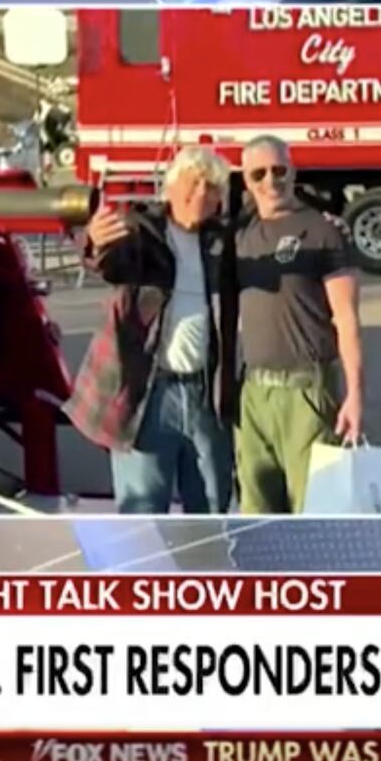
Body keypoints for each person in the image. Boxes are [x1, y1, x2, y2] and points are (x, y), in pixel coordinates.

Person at [65, 146, 235, 514]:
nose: (201, 193)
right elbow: (109, 262)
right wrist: (94, 242)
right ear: (169, 189)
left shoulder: (223, 242)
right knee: (143, 513)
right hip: (149, 394)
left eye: (211, 187)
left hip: (207, 394)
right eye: (192, 183)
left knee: (211, 509)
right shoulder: (141, 232)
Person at [234, 136, 364, 514]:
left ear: (293, 172)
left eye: (279, 170)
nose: (270, 181)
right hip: (253, 394)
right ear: (246, 180)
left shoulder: (322, 230)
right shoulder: (239, 232)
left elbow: (347, 319)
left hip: (307, 391)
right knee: (256, 513)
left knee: (312, 509)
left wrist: (355, 394)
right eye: (259, 174)